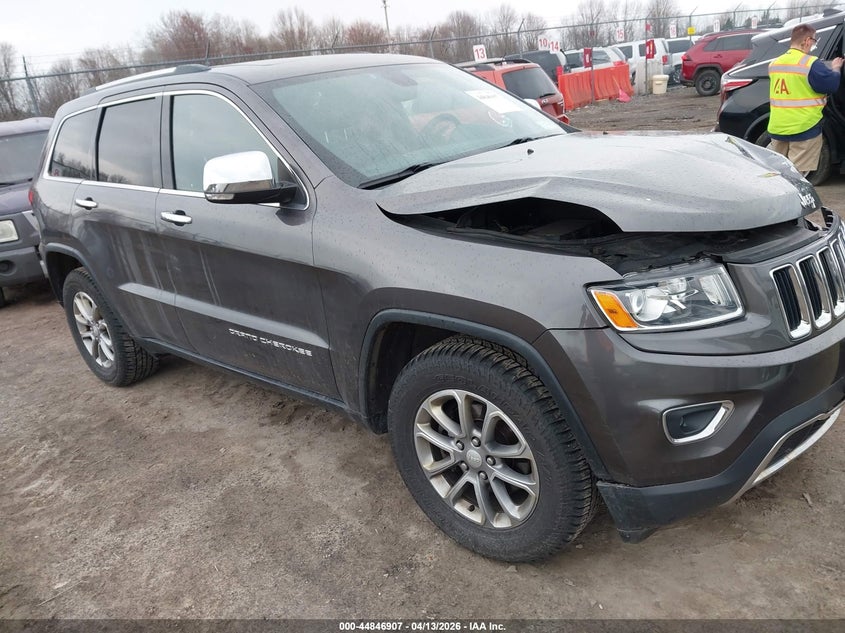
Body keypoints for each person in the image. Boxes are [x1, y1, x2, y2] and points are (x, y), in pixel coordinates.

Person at [767, 24, 844, 176]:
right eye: (814, 41)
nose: (813, 45)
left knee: (778, 172)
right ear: (808, 40)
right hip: (803, 128)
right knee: (797, 176)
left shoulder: (774, 64)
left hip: (778, 128)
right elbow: (831, 85)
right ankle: (792, 199)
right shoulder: (811, 64)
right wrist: (836, 67)